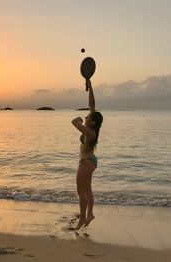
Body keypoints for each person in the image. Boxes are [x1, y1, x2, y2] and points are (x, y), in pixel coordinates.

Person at [71, 80, 103, 230]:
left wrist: (77, 120)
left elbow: (74, 123)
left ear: (92, 122)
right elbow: (92, 104)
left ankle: (82, 218)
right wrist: (90, 86)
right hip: (91, 161)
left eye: (88, 117)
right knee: (88, 190)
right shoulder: (93, 128)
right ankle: (89, 214)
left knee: (80, 191)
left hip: (86, 163)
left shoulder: (89, 132)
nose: (86, 116)